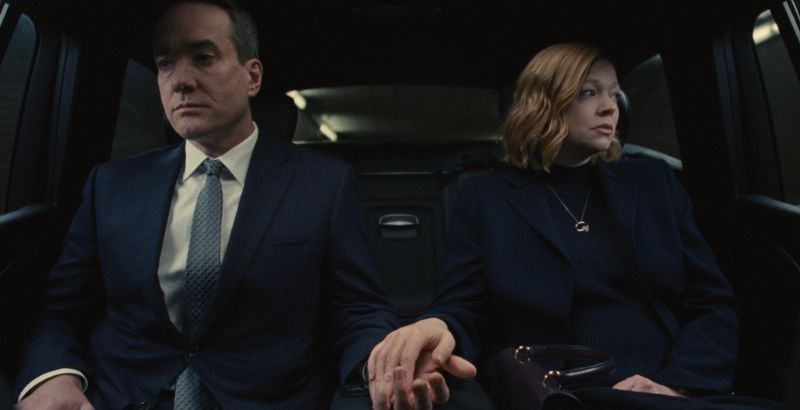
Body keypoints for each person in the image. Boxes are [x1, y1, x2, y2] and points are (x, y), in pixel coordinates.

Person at [14, 1, 398, 408]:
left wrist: (384, 369)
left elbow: (357, 309)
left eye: (203, 58)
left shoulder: (323, 184)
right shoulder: (110, 186)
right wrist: (52, 377)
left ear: (252, 76)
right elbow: (61, 311)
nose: (180, 81)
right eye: (165, 63)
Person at [368, 43, 782, 409]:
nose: (610, 107)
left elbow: (712, 302)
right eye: (589, 92)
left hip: (668, 388)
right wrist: (438, 324)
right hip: (558, 393)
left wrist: (677, 385)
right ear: (543, 104)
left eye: (614, 93)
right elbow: (464, 307)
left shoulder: (653, 183)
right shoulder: (487, 196)